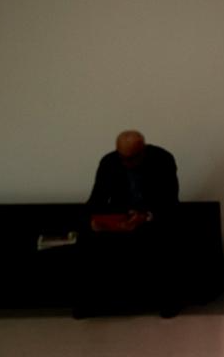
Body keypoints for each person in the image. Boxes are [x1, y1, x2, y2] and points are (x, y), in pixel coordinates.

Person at [76, 130, 181, 317]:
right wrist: (95, 220)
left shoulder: (162, 160)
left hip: (154, 217)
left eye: (132, 158)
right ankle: (87, 303)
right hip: (121, 218)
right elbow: (97, 198)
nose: (127, 163)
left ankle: (169, 301)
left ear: (143, 151)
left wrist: (146, 216)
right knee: (87, 238)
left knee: (167, 235)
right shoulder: (109, 162)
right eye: (122, 158)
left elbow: (169, 200)